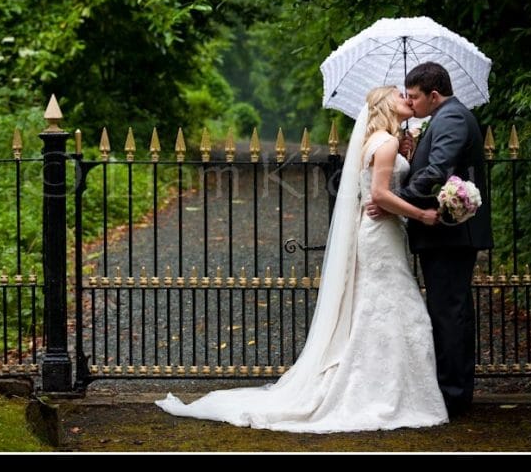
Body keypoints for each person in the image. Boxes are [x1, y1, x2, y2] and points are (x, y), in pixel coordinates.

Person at [155, 86, 448, 433]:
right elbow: (381, 194)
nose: (406, 99)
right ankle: (384, 393)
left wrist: (407, 154)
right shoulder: (384, 144)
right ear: (385, 104)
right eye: (400, 95)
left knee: (376, 308)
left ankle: (383, 387)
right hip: (380, 234)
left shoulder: (384, 141)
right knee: (397, 309)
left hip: (379, 232)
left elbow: (380, 190)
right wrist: (421, 214)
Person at [370, 62, 494, 417]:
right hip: (445, 236)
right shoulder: (444, 118)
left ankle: (453, 396)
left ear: (433, 96)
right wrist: (412, 153)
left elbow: (438, 169)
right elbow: (434, 164)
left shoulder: (451, 118)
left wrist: (400, 202)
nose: (410, 102)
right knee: (451, 311)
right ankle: (455, 391)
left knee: (447, 313)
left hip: (449, 235)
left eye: (414, 96)